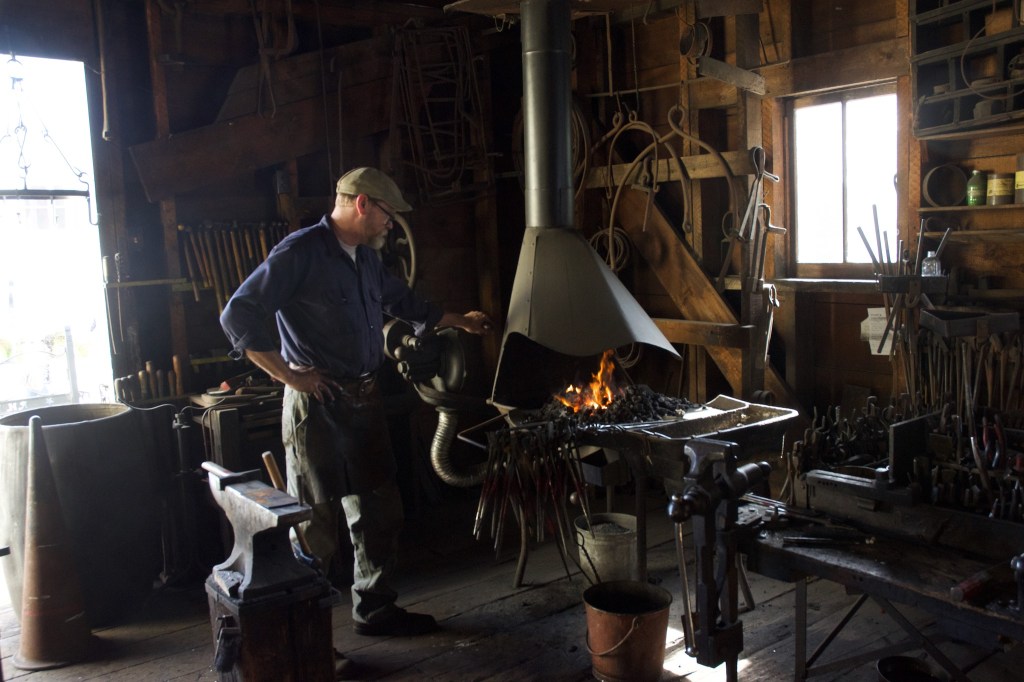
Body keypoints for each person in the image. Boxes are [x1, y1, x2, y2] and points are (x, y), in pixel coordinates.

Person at [220, 167, 494, 643]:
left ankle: (375, 609)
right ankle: (308, 640)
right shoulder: (300, 252)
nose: (392, 223)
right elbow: (237, 314)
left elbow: (405, 303)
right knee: (315, 527)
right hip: (317, 406)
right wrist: (290, 376)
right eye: (388, 213)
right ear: (363, 203)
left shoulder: (365, 259)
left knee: (379, 512)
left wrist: (460, 321)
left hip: (364, 404)